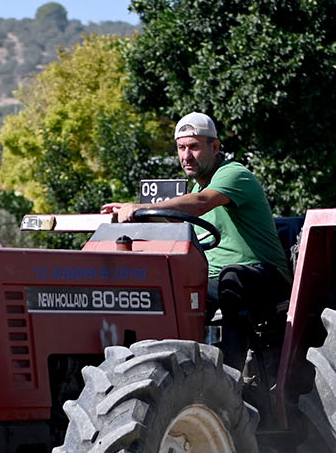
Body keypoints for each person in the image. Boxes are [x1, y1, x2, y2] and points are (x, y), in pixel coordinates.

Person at [102, 113, 289, 365]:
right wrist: (130, 215)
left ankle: (230, 375)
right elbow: (174, 221)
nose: (186, 156)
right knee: (169, 288)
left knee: (231, 279)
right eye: (181, 148)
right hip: (213, 278)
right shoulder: (195, 190)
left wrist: (139, 206)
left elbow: (200, 204)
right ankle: (166, 367)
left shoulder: (234, 175)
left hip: (263, 275)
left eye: (194, 147)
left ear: (214, 147)